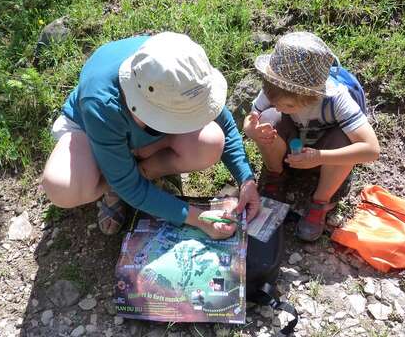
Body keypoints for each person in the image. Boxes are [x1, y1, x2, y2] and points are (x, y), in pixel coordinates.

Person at [41, 32, 260, 239]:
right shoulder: (101, 103)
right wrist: (198, 219)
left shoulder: (184, 73)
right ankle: (113, 185)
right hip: (90, 133)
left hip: (142, 142)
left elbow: (225, 124)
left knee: (210, 142)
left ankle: (142, 172)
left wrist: (246, 179)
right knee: (62, 188)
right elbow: (130, 187)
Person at [243, 32, 380, 242]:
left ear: (314, 95)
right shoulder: (275, 87)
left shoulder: (336, 100)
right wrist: (252, 130)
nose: (279, 107)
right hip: (295, 144)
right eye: (273, 100)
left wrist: (319, 157)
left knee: (346, 139)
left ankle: (320, 202)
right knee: (268, 119)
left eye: (289, 106)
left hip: (324, 152)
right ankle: (276, 176)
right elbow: (251, 117)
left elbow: (371, 149)